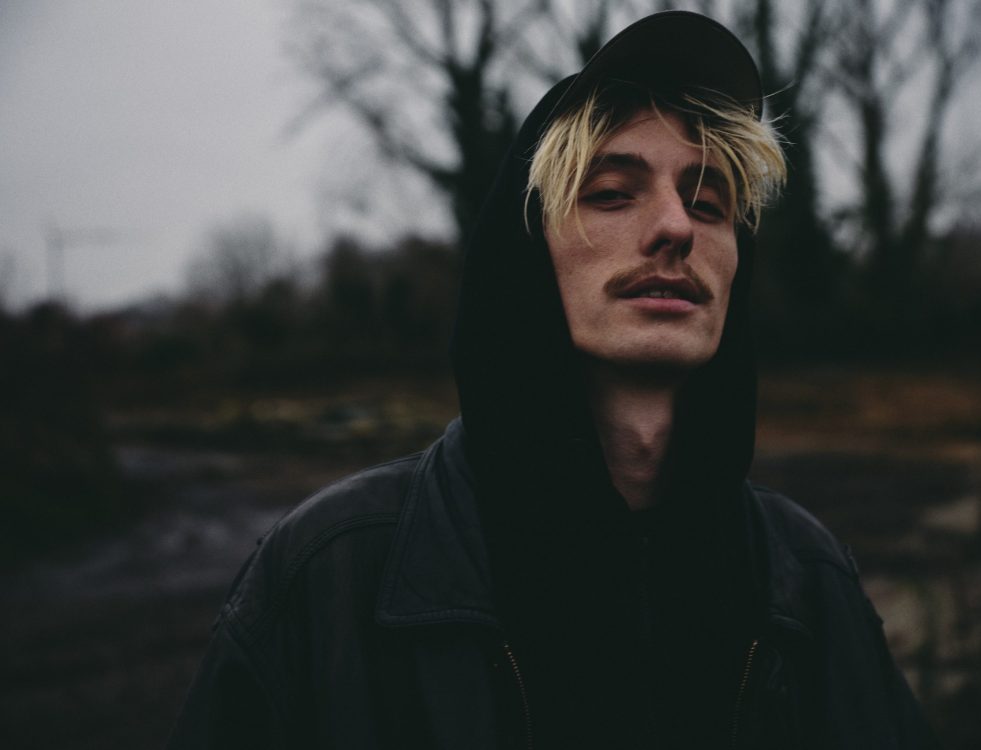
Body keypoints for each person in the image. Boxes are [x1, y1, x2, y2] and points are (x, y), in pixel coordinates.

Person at [168, 11, 937, 749]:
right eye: (611, 192)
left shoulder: (810, 578)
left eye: (707, 201)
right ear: (528, 247)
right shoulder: (328, 573)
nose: (675, 226)